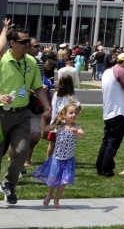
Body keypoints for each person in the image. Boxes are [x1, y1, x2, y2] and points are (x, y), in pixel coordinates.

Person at [0, 23, 51, 206]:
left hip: (22, 114)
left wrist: (47, 106)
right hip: (1, 114)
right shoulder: (2, 60)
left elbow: (37, 86)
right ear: (12, 43)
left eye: (29, 41)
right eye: (24, 42)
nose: (28, 44)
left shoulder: (30, 62)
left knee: (22, 151)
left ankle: (9, 185)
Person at [31, 101, 85, 208]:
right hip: (56, 158)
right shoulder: (59, 125)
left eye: (75, 113)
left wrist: (76, 132)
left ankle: (57, 200)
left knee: (63, 182)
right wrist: (42, 118)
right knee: (53, 179)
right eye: (71, 113)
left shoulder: (76, 127)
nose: (74, 115)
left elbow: (82, 135)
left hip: (68, 160)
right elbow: (44, 128)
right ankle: (49, 195)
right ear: (64, 115)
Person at [96, 51, 124, 177]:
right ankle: (107, 168)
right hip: (118, 112)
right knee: (113, 142)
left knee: (106, 140)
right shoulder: (120, 71)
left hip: (108, 111)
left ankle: (100, 166)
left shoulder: (108, 71)